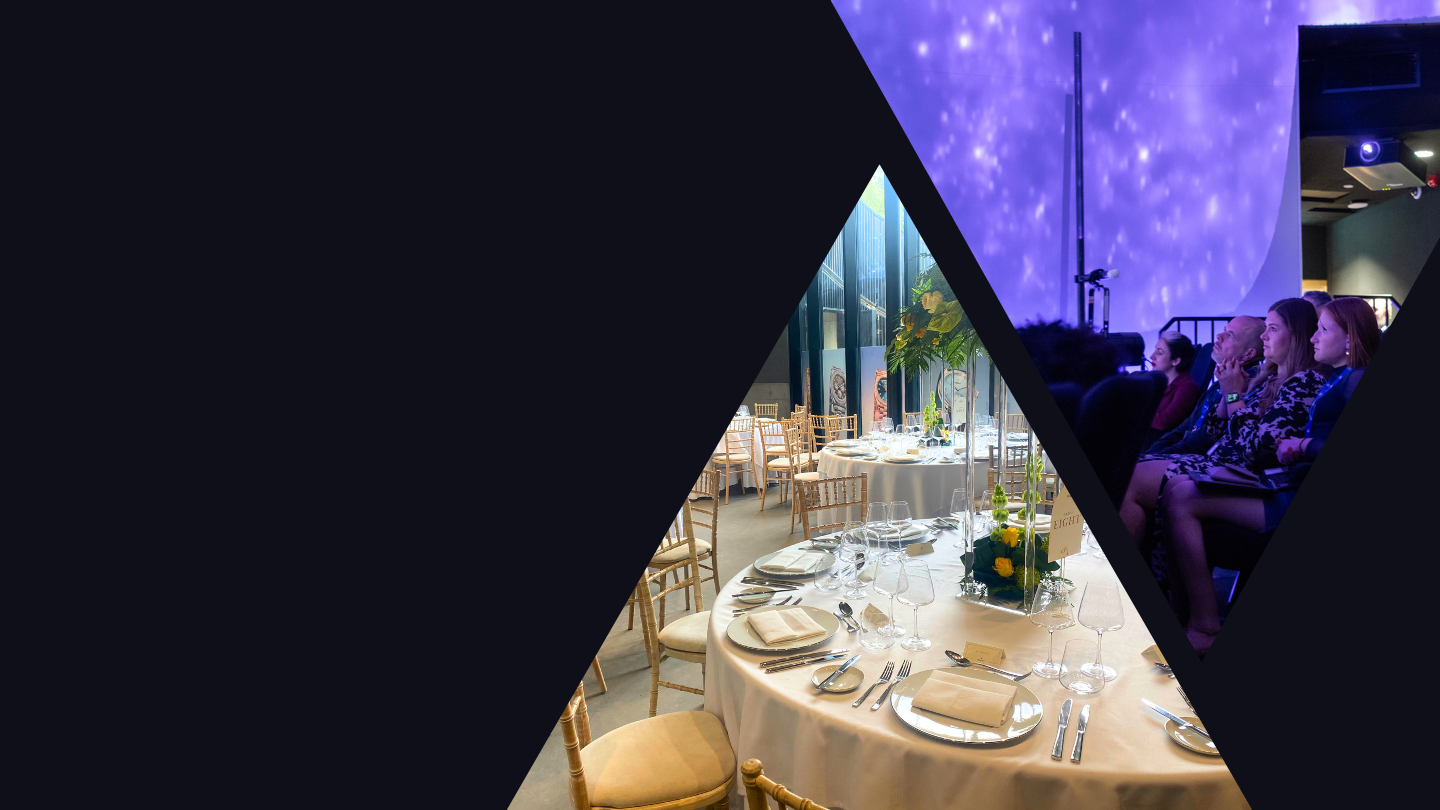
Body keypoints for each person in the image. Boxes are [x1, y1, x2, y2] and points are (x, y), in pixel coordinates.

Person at [1157, 297, 1379, 655]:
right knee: (1177, 485)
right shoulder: (1332, 378)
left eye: (1323, 330)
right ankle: (1185, 616)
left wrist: (1304, 444)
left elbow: (1258, 445)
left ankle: (1201, 624)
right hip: (1279, 478)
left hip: (1285, 486)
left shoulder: (1342, 380)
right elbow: (1216, 432)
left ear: (1350, 339)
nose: (1313, 338)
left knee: (1179, 491)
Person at [1120, 299, 1328, 549]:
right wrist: (1227, 393)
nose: (1264, 336)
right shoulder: (1265, 377)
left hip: (1240, 474)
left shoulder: (1304, 381)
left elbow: (1254, 451)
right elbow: (1215, 433)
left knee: (1128, 477)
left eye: (1272, 329)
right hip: (1218, 463)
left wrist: (1232, 394)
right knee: (1126, 470)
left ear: (1296, 335)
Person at [1146, 316, 1265, 455]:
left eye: (1230, 336)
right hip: (1180, 451)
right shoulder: (1221, 380)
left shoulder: (1247, 387)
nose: (1219, 336)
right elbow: (1189, 424)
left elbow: (1206, 439)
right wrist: (1156, 450)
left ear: (1248, 354)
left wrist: (1158, 455)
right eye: (1224, 330)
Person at [1148, 332, 1202, 436]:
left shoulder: (1187, 387)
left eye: (1159, 353)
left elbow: (1163, 422)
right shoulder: (1157, 381)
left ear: (1176, 361)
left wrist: (1133, 411)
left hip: (1158, 442)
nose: (1152, 356)